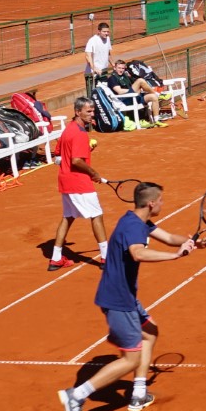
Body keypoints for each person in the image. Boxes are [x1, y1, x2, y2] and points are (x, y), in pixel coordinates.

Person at [56, 181, 206, 411]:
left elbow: (169, 238)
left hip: (125, 296)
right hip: (118, 300)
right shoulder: (132, 227)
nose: (162, 204)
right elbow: (138, 253)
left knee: (150, 332)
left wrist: (192, 243)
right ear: (151, 203)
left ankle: (138, 392)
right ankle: (76, 396)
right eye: (161, 200)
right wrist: (175, 256)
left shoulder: (138, 221)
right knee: (130, 359)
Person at [49, 97, 107, 272]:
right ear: (78, 111)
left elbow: (58, 157)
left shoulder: (68, 130)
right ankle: (106, 257)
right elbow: (76, 161)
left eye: (93, 111)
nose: (92, 114)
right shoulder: (81, 134)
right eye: (88, 111)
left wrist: (85, 150)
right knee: (96, 215)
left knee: (68, 217)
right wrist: (93, 173)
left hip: (65, 181)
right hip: (79, 183)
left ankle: (56, 258)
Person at [108, 59, 164, 128]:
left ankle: (156, 120)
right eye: (119, 68)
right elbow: (119, 91)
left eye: (123, 68)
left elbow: (134, 84)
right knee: (140, 81)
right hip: (125, 100)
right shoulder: (112, 78)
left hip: (134, 97)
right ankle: (157, 94)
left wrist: (136, 89)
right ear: (114, 68)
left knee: (153, 97)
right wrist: (133, 90)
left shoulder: (125, 76)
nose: (121, 70)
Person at [83, 22, 112, 100]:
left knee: (104, 93)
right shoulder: (92, 40)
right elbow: (88, 56)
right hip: (92, 74)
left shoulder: (108, 39)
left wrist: (113, 64)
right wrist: (94, 68)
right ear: (99, 31)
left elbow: (108, 54)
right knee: (92, 96)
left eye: (107, 31)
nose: (106, 33)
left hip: (103, 71)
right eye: (104, 31)